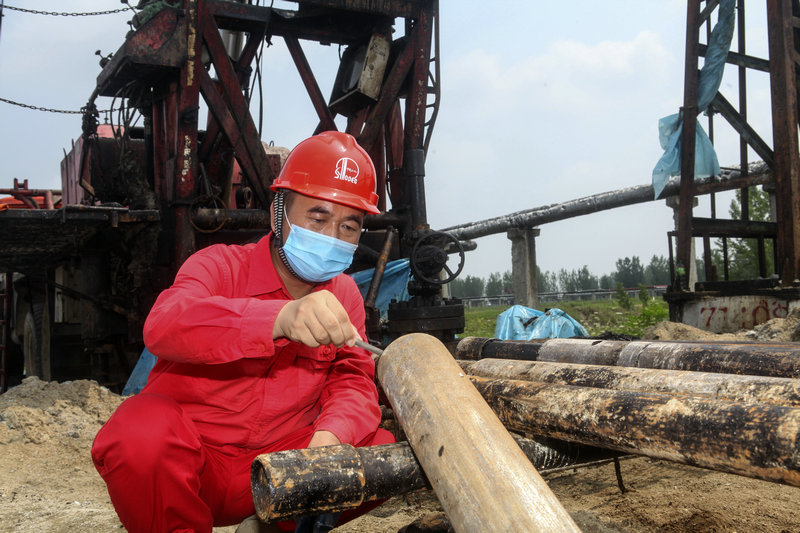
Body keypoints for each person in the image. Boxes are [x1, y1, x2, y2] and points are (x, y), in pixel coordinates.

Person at [91, 131, 394, 533]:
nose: (331, 238)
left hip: (280, 467)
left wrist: (332, 436)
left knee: (380, 454)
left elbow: (352, 380)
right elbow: (165, 324)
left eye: (349, 227)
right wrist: (277, 318)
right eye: (317, 218)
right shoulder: (217, 266)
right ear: (278, 213)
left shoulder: (345, 297)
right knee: (139, 432)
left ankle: (270, 526)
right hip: (195, 467)